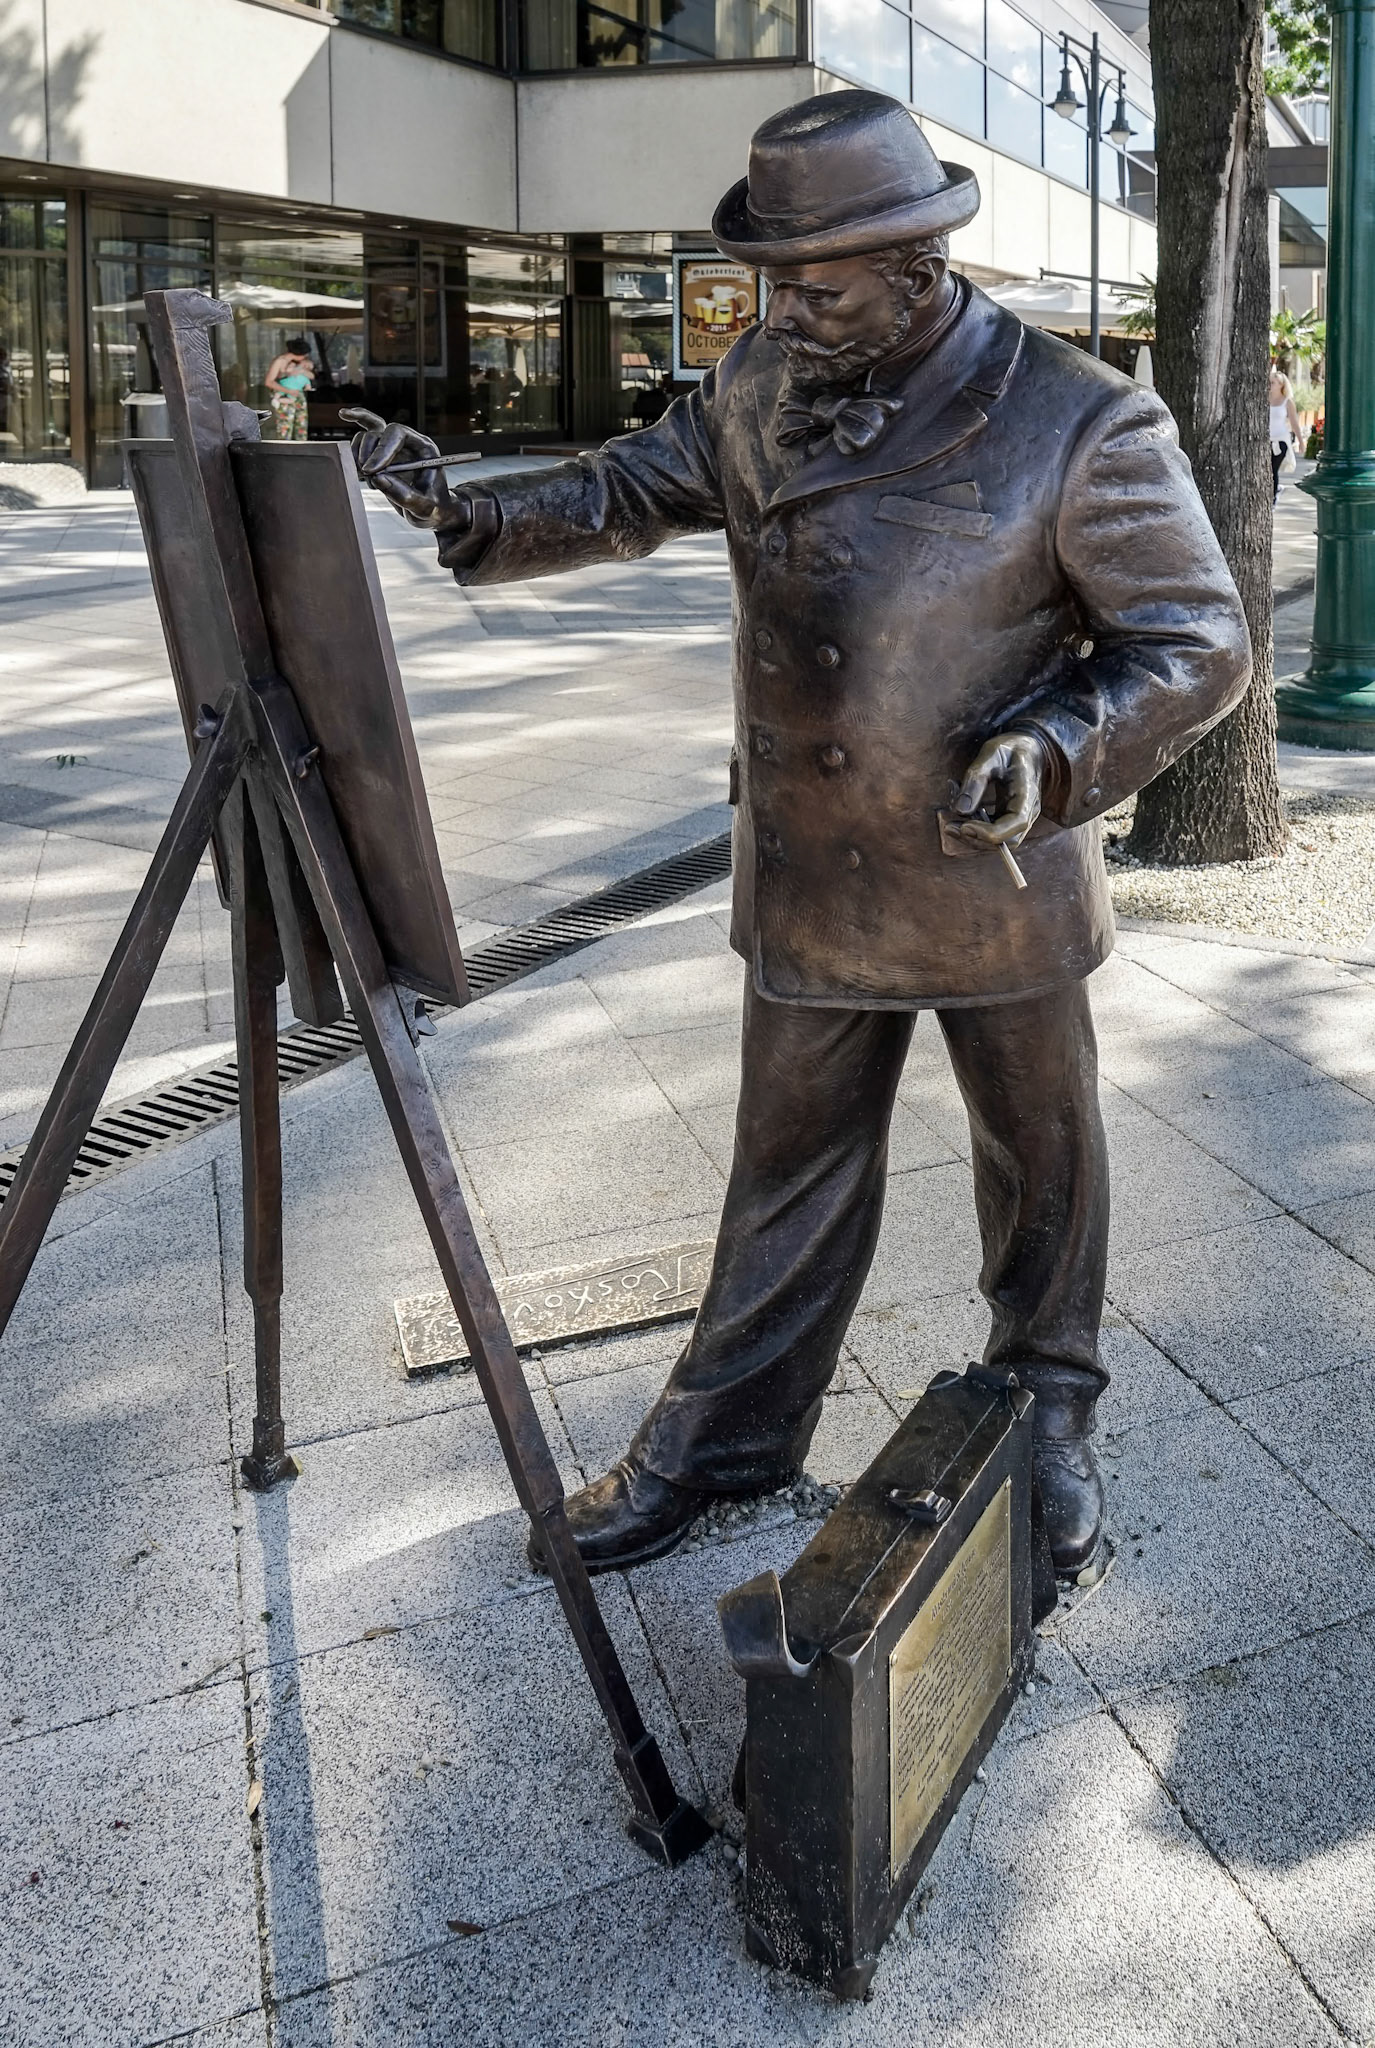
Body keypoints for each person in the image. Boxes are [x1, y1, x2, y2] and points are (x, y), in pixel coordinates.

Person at [348, 91, 1251, 1581]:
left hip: (989, 869)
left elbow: (1193, 639)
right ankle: (729, 1441)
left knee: (1038, 1158)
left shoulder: (1077, 417)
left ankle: (1045, 1410)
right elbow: (626, 487)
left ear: (912, 263)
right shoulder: (763, 379)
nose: (779, 306)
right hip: (815, 865)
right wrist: (468, 508)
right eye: (772, 277)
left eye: (811, 281)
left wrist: (1054, 743)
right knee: (785, 1163)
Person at [266, 337, 314, 441]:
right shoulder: (280, 361)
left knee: (301, 426)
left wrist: (300, 371)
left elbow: (311, 375)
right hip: (285, 395)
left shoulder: (299, 363)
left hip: (298, 396)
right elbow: (269, 381)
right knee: (285, 427)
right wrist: (288, 391)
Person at [1270, 366, 1302, 500]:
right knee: (1266, 470)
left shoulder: (1287, 402)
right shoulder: (1262, 399)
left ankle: (1273, 499)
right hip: (1266, 440)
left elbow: (1294, 422)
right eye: (1269, 382)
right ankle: (1276, 490)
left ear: (1281, 385)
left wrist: (1301, 441)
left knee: (1273, 469)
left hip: (1281, 440)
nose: (1270, 385)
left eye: (1273, 382)